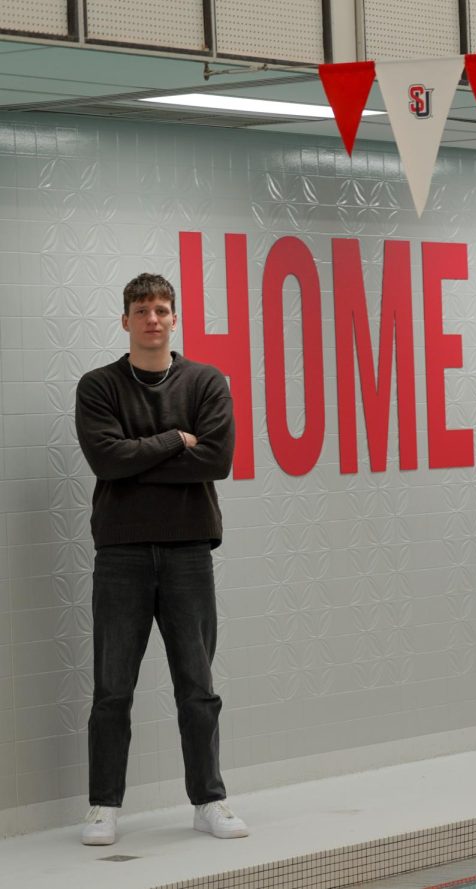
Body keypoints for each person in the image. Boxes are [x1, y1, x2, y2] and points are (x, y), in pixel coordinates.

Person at [74, 273, 248, 846]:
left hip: (188, 552)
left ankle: (209, 800)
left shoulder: (206, 383)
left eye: (162, 309)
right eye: (142, 310)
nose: (153, 318)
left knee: (197, 686)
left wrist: (137, 459)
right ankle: (103, 807)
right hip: (120, 555)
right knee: (112, 689)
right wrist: (177, 439)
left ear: (175, 318)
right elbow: (106, 459)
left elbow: (216, 460)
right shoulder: (98, 386)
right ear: (125, 321)